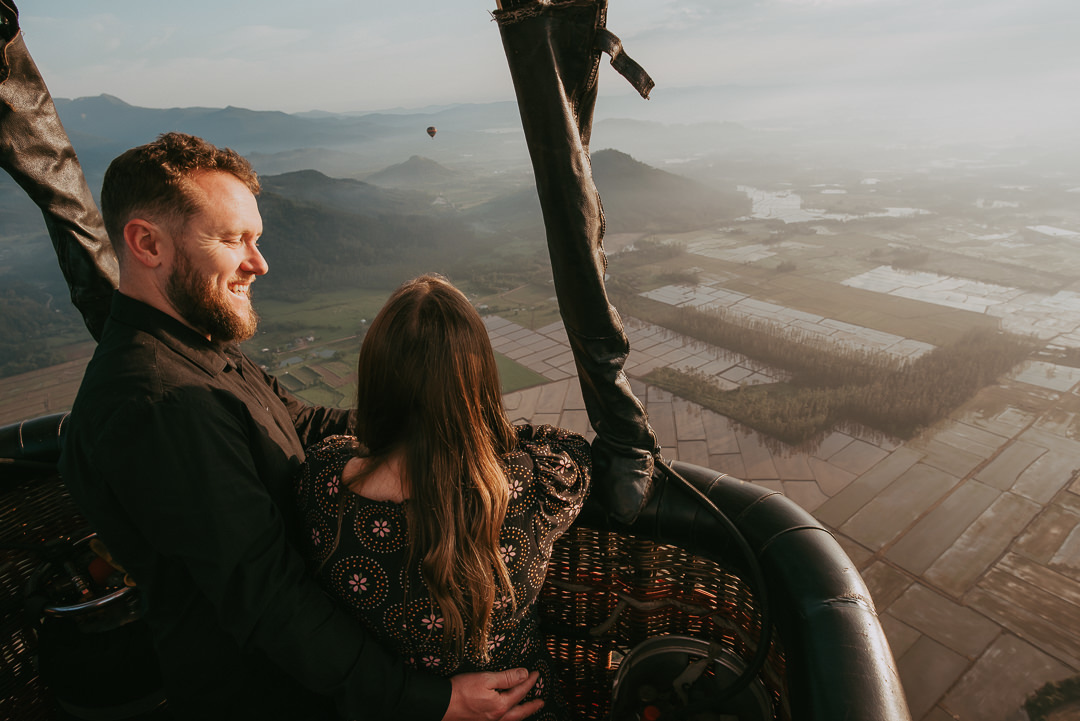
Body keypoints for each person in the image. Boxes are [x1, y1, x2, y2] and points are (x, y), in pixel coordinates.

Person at [58, 132, 541, 721]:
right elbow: (267, 598)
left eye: (255, 239)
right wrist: (427, 700)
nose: (258, 263)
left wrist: (441, 424)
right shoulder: (162, 405)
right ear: (146, 243)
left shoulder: (197, 349)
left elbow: (303, 422)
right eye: (233, 240)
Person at [295, 275, 592, 721]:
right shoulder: (532, 488)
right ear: (480, 385)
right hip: (523, 707)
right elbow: (574, 448)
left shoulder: (322, 483)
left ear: (374, 379)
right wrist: (485, 432)